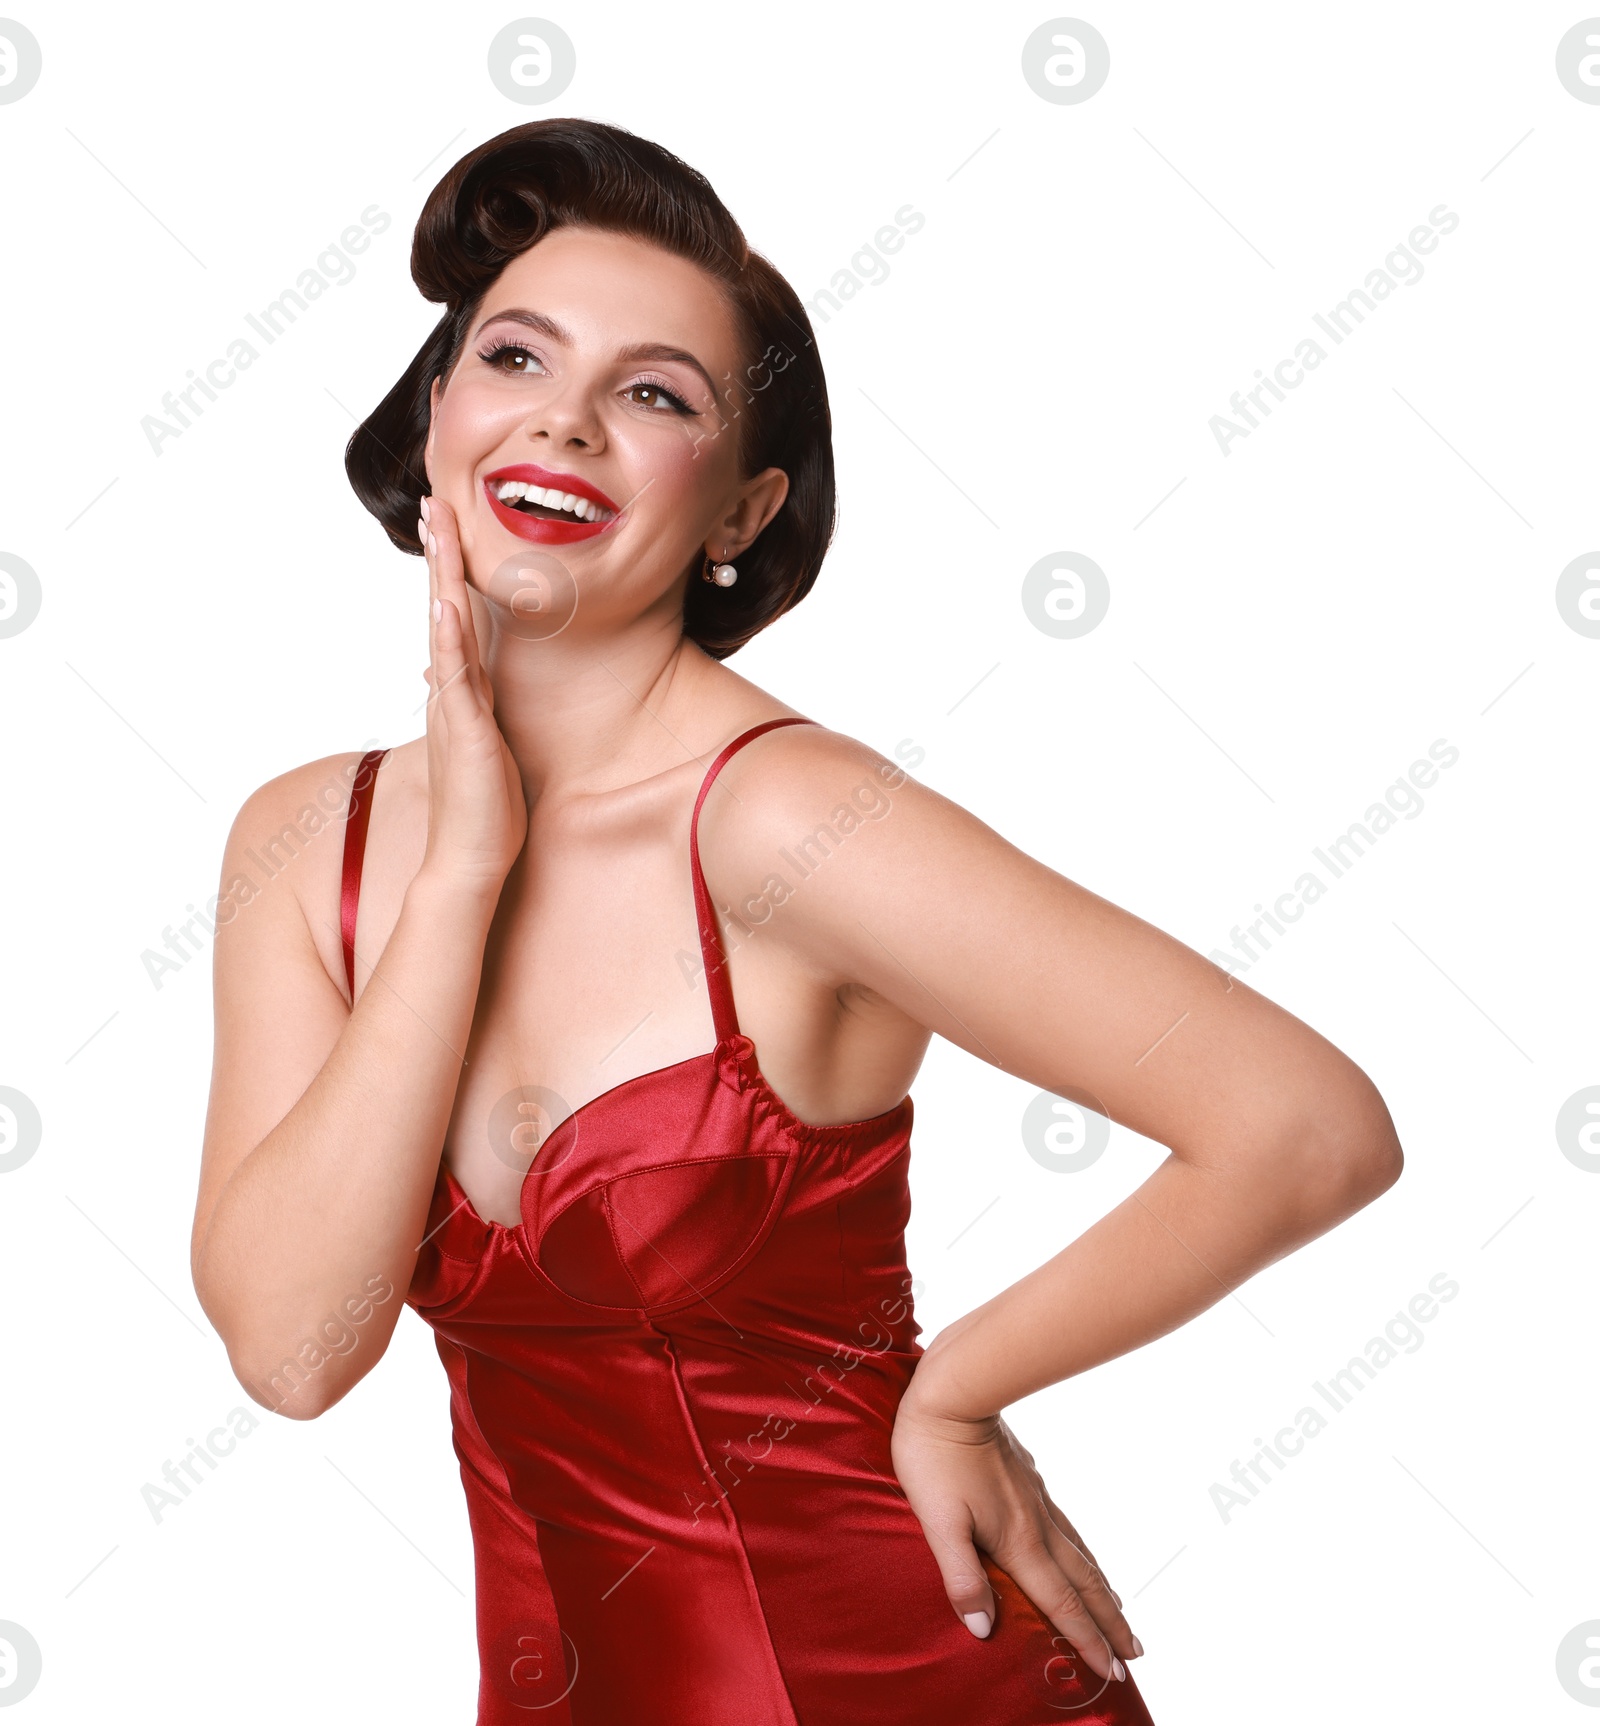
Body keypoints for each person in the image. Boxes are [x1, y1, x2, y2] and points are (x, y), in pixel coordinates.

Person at [189, 118, 1403, 1724]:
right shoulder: (307, 842)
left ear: (741, 511)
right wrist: (460, 875)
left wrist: (958, 1392)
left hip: (905, 1676)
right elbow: (292, 1353)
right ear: (439, 417)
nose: (566, 416)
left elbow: (1306, 1124)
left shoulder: (783, 822)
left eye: (654, 394)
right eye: (516, 355)